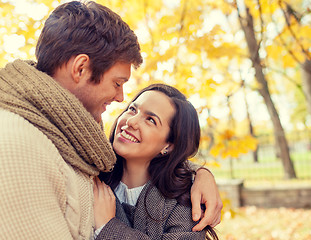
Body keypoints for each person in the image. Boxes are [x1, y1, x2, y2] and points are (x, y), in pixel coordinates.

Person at [0, 1, 222, 239]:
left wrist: (198, 174)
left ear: (169, 145)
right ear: (81, 68)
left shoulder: (83, 143)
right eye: (117, 84)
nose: (120, 98)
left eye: (151, 119)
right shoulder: (18, 146)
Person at [93, 84, 219, 239]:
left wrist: (108, 227)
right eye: (133, 109)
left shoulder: (184, 202)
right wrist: (202, 172)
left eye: (150, 120)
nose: (131, 121)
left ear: (169, 145)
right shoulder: (93, 171)